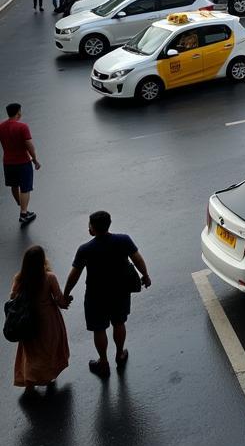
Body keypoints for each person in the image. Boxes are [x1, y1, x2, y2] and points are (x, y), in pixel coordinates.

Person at [62, 210, 152, 378]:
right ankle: (119, 354)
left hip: (96, 296)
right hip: (120, 291)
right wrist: (145, 275)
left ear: (92, 229)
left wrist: (65, 294)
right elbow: (137, 259)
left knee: (99, 329)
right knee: (119, 323)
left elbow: (74, 275)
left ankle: (103, 362)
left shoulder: (85, 249)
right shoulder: (123, 240)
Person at [10, 245, 70, 390]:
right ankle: (48, 377)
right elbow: (60, 301)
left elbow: (13, 298)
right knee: (48, 350)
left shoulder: (19, 279)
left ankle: (30, 382)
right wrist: (66, 300)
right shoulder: (49, 277)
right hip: (48, 320)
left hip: (28, 320)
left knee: (31, 353)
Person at [0, 104, 41, 226]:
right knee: (25, 188)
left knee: (14, 185)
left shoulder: (1, 126)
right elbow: (29, 145)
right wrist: (34, 159)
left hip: (8, 162)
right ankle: (23, 213)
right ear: (18, 113)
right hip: (22, 162)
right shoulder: (22, 127)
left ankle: (21, 205)